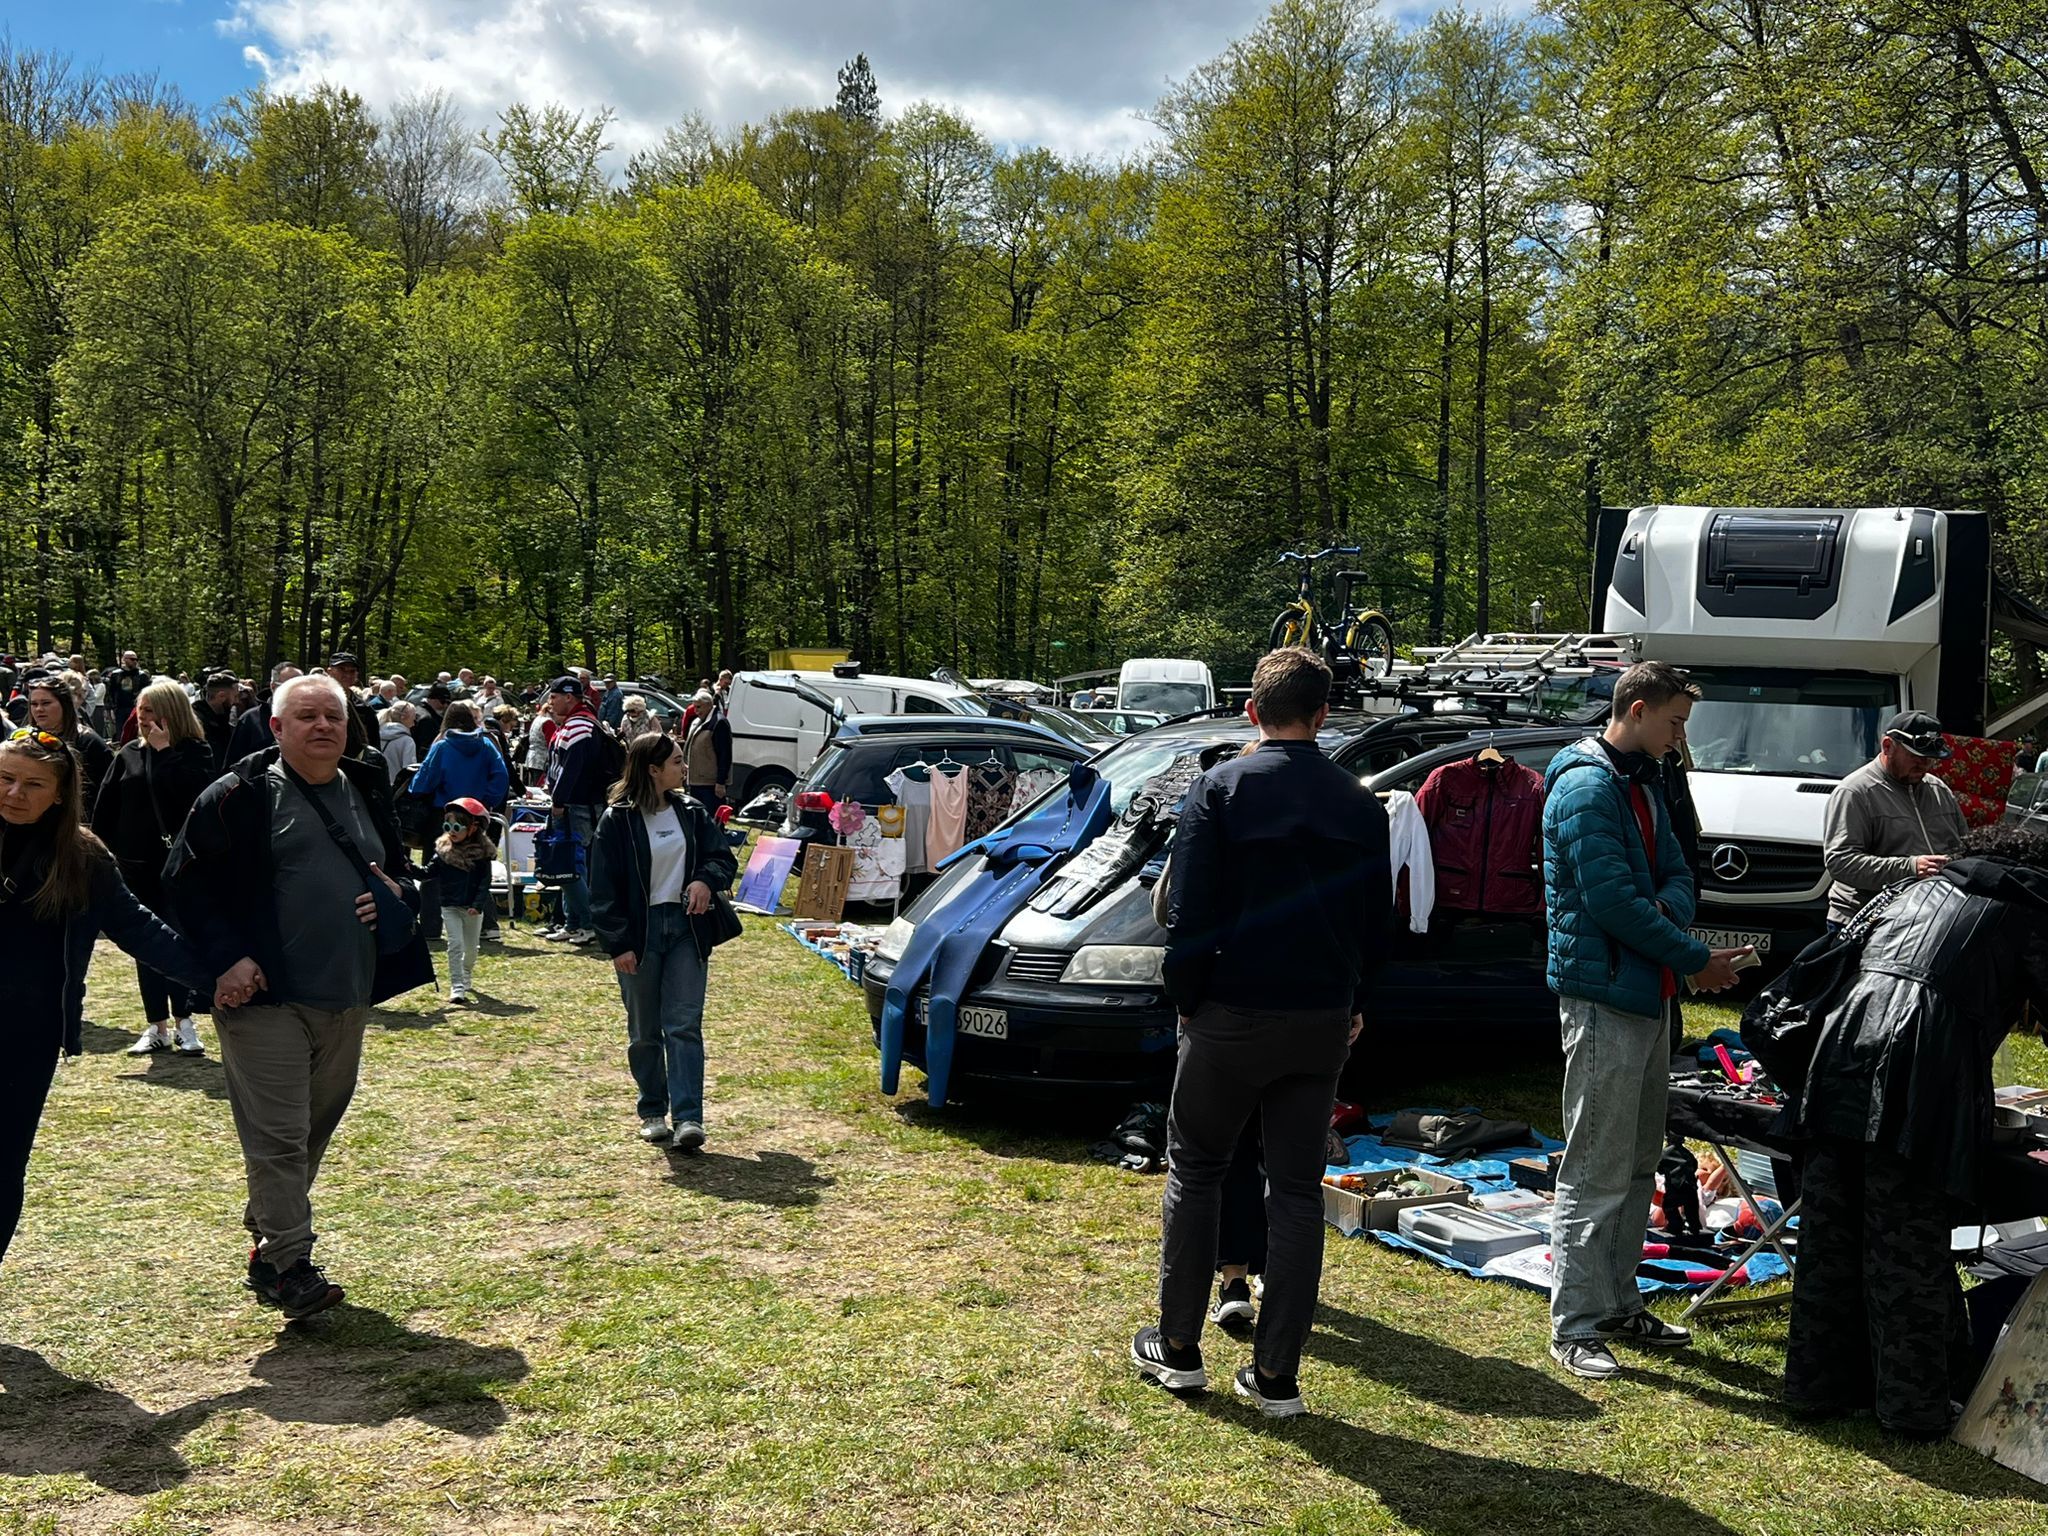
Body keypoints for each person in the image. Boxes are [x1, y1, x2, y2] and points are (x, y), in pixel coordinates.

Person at [1135, 647, 1392, 1418]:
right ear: (1323, 716)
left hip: (1230, 1012)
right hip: (1317, 1017)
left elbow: (1191, 913)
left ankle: (1179, 1348)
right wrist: (1354, 999)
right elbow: (1374, 925)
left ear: (1253, 711)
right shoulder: (1358, 802)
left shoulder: (1221, 788)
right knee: (1294, 1194)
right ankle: (1277, 1374)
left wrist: (1186, 997)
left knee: (1199, 1169)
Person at [165, 673, 432, 1319]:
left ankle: (268, 1236)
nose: (322, 727)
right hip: (264, 1000)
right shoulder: (240, 795)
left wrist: (402, 894)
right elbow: (184, 884)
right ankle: (291, 1264)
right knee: (279, 1139)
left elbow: (401, 870)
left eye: (333, 717)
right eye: (306, 717)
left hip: (348, 995)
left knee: (311, 1131)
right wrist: (229, 958)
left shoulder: (366, 785)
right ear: (277, 728)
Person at [1784, 822, 2048, 1437]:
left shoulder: (1922, 888)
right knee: (1905, 1246)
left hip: (1838, 1054)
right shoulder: (2029, 906)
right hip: (1915, 1070)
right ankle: (1913, 1409)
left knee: (1832, 1234)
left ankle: (1818, 1389)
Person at [1540, 660, 1746, 1381]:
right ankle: (1575, 1323)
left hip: (1647, 993)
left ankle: (1620, 1301)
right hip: (1605, 999)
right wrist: (1695, 957)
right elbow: (1611, 903)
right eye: (1674, 722)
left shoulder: (1644, 780)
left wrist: (1670, 919)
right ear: (1634, 708)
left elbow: (1678, 874)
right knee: (1594, 1164)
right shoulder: (1586, 785)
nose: (1679, 738)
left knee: (1635, 1162)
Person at [0, 727, 226, 1272]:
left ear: (60, 793)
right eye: (5, 779)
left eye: (33, 784)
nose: (14, 794)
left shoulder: (83, 858)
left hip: (25, 1039)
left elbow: (141, 930)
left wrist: (218, 978)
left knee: (3, 1166)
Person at [589, 732, 738, 1150]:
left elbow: (722, 858)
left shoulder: (691, 811)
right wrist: (618, 943)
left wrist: (706, 881)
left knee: (684, 1025)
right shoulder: (616, 821)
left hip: (687, 929)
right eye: (676, 761)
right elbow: (602, 890)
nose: (684, 767)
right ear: (653, 770)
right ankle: (653, 1109)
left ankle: (690, 1119)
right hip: (641, 932)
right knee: (644, 1031)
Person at [92, 678, 224, 1057]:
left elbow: (195, 799)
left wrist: (166, 754)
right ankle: (157, 1026)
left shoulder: (196, 752)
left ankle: (185, 1023)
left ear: (171, 712)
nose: (143, 717)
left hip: (180, 867)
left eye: (150, 710)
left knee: (177, 942)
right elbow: (105, 810)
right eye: (141, 710)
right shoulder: (128, 754)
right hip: (136, 868)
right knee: (145, 946)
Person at [1821, 710, 1969, 927]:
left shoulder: (1939, 789)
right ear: (1888, 746)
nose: (1924, 765)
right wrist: (1910, 868)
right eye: (1915, 756)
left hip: (1927, 919)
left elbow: (1965, 846)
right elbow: (1840, 863)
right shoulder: (1856, 792)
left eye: (1929, 758)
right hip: (1864, 920)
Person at [542, 676, 606, 945]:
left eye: (554, 696)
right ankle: (572, 922)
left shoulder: (580, 725)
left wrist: (558, 802)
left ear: (569, 696)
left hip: (575, 807)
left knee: (572, 867)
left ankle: (590, 923)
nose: (550, 701)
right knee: (565, 865)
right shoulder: (573, 723)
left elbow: (572, 770)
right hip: (570, 805)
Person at [427, 797, 496, 1004]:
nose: (452, 831)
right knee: (454, 945)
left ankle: (466, 973)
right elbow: (427, 873)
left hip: (472, 909)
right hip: (449, 906)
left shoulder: (482, 855)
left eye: (457, 826)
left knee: (471, 950)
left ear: (473, 828)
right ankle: (457, 986)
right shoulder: (443, 852)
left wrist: (477, 905)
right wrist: (404, 867)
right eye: (447, 826)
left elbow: (485, 883)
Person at [25, 676, 113, 809]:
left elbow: (108, 790)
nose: (39, 709)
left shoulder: (88, 741)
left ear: (64, 704)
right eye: (34, 704)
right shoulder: (24, 739)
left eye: (46, 703)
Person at [407, 701, 509, 813]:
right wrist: (487, 800)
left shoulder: (442, 746)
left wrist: (415, 791)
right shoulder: (486, 744)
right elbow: (501, 775)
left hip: (445, 810)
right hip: (477, 810)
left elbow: (425, 778)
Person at [227, 662, 301, 763]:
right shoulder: (251, 720)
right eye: (289, 686)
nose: (297, 691)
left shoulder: (313, 719)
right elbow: (233, 765)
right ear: (273, 686)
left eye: (301, 686)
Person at [683, 687, 732, 812]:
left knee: (711, 820)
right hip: (695, 781)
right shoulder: (697, 722)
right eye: (694, 707)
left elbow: (724, 755)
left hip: (711, 785)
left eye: (699, 707)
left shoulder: (719, 722)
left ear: (709, 705)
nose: (696, 711)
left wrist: (720, 783)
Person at [193, 671, 238, 772]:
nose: (236, 701)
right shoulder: (196, 721)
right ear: (221, 696)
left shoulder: (224, 718)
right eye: (234, 697)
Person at [104, 651, 149, 735]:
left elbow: (146, 692)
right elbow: (110, 692)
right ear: (124, 659)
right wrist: (110, 708)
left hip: (136, 707)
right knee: (120, 731)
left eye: (136, 659)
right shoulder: (115, 675)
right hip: (119, 707)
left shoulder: (142, 676)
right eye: (132, 659)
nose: (135, 661)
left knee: (135, 730)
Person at [378, 702, 420, 785]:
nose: (414, 723)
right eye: (413, 718)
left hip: (378, 785)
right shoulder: (407, 741)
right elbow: (409, 770)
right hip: (395, 788)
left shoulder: (378, 734)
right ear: (403, 718)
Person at [411, 682, 451, 757]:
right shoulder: (427, 719)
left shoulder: (418, 710)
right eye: (443, 701)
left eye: (448, 702)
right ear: (433, 699)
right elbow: (426, 748)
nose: (446, 705)